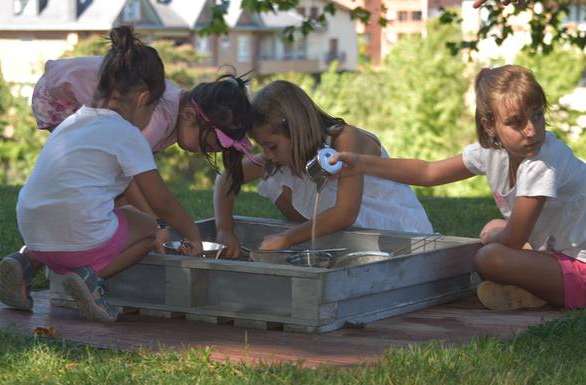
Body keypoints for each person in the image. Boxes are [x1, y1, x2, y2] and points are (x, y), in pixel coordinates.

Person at [330, 65, 586, 311]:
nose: (531, 130)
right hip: (561, 253)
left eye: (538, 115)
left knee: (489, 256)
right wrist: (362, 163)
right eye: (516, 122)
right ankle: (534, 292)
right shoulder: (493, 154)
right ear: (489, 125)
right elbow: (428, 172)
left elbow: (514, 239)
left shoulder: (543, 162)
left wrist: (493, 238)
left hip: (580, 264)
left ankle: (539, 291)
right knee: (495, 232)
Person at [0, 26, 203, 322]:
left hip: (32, 231)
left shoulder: (73, 122)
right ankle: (89, 279)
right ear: (144, 97)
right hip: (77, 242)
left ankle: (26, 263)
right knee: (148, 229)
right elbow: (162, 204)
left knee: (84, 217)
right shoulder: (127, 134)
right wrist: (193, 234)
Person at [32, 56, 255, 252]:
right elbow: (133, 179)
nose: (207, 152)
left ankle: (50, 248)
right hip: (60, 97)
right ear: (189, 116)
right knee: (91, 184)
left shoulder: (174, 113)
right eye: (210, 144)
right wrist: (155, 223)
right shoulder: (157, 119)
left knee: (103, 191)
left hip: (64, 89)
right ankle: (72, 245)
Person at [213, 80, 433, 258]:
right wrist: (225, 229)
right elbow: (227, 179)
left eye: (271, 146)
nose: (267, 154)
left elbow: (345, 213)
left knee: (282, 180)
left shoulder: (344, 140)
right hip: (349, 240)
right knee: (278, 178)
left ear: (297, 131)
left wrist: (287, 238)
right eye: (262, 147)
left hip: (398, 234)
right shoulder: (280, 154)